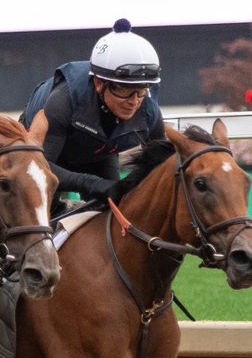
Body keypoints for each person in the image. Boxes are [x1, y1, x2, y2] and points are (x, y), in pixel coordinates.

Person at [20, 18, 165, 213]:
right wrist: (92, 184)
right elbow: (41, 168)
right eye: (125, 89)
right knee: (46, 217)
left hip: (98, 151)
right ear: (99, 83)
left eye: (141, 90)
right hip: (46, 155)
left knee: (117, 209)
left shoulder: (148, 109)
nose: (134, 101)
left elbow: (163, 166)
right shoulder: (63, 101)